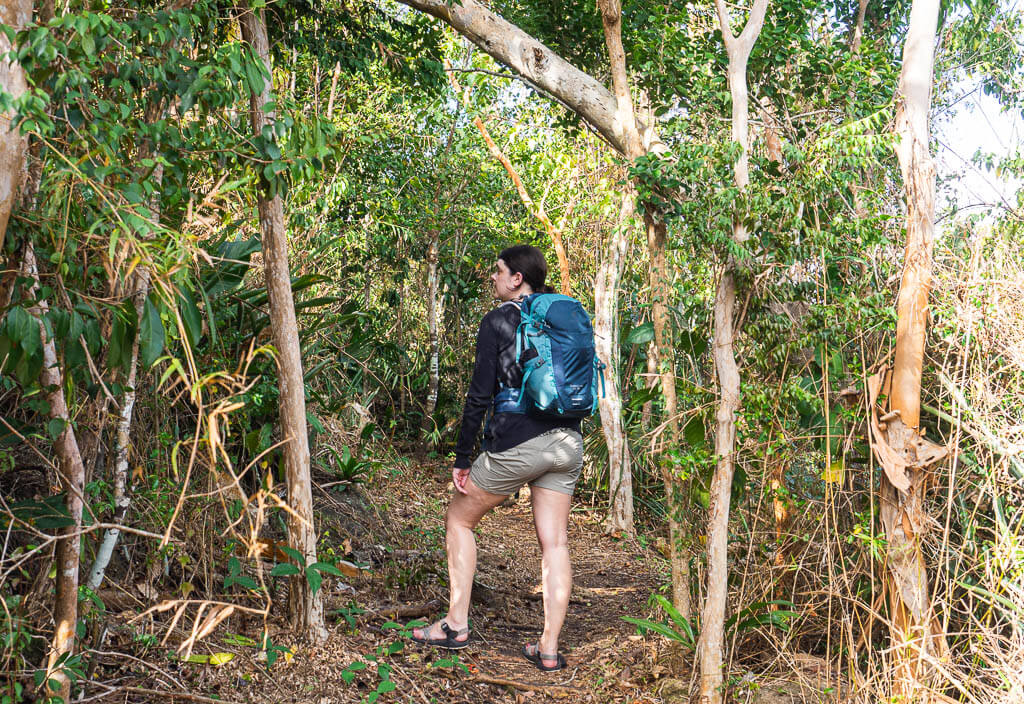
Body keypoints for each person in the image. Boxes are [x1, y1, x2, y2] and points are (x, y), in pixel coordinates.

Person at [411, 245, 584, 672]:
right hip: (568, 442)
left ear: (517, 279)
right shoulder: (560, 318)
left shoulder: (498, 320)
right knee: (556, 542)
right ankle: (548, 648)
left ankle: (455, 625)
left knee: (459, 519)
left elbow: (479, 396)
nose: (492, 276)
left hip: (518, 444)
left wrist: (463, 455)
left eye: (498, 271)